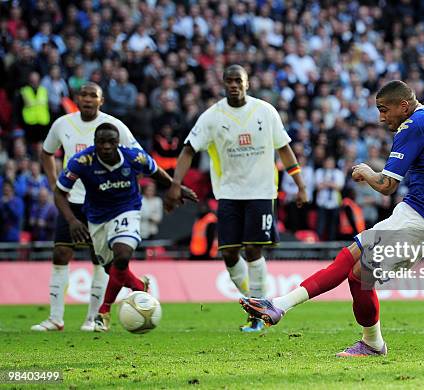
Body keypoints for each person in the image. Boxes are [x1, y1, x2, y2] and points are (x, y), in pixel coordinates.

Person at [240, 80, 424, 356]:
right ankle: (280, 305)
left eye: (384, 110)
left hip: (422, 220)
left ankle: (372, 344)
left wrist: (366, 171)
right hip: (415, 213)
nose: (381, 118)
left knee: (359, 277)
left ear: (403, 106)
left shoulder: (412, 125)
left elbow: (386, 185)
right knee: (349, 257)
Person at [165, 64, 308, 332]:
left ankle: (257, 313)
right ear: (223, 84)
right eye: (229, 80)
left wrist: (299, 184)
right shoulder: (212, 116)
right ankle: (256, 300)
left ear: (247, 83)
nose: (234, 85)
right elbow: (188, 149)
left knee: (253, 249)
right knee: (229, 253)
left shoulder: (265, 111)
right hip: (229, 193)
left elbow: (284, 149)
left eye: (238, 80)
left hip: (261, 191)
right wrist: (175, 183)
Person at [54, 123, 197, 332]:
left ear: (117, 142)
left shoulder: (134, 157)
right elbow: (59, 192)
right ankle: (139, 287)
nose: (105, 147)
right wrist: (72, 220)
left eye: (110, 142)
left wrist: (176, 187)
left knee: (122, 255)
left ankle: (103, 311)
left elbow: (156, 171)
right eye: (100, 142)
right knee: (110, 268)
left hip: (126, 210)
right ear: (94, 143)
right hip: (96, 217)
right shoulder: (82, 161)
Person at [31, 82, 142, 332]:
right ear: (76, 98)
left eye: (94, 95)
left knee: (100, 260)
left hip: (102, 204)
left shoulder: (114, 126)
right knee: (60, 253)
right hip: (71, 202)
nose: (88, 99)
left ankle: (93, 318)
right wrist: (54, 182)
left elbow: (137, 156)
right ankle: (55, 318)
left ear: (101, 101)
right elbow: (47, 152)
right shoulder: (62, 124)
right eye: (84, 94)